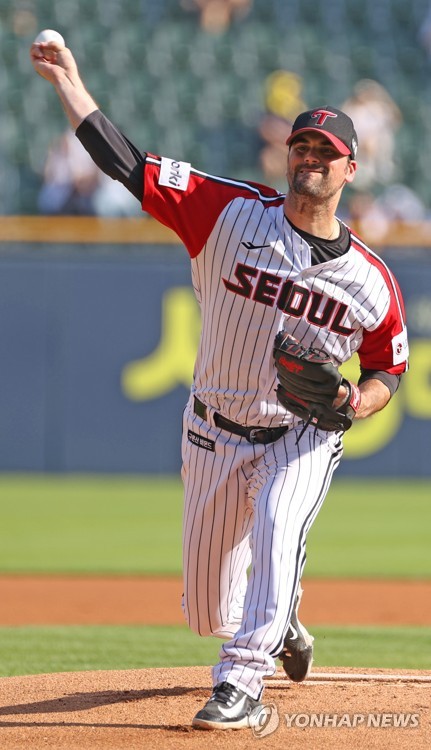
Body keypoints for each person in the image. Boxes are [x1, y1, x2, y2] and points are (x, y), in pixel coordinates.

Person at [30, 40, 409, 730]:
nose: (310, 159)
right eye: (302, 146)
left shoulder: (370, 280)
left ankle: (241, 684)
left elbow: (388, 370)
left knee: (276, 524)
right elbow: (130, 166)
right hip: (211, 429)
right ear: (285, 155)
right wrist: (70, 85)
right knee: (207, 609)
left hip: (301, 434)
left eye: (325, 152)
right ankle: (281, 614)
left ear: (351, 168)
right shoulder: (228, 212)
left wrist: (356, 400)